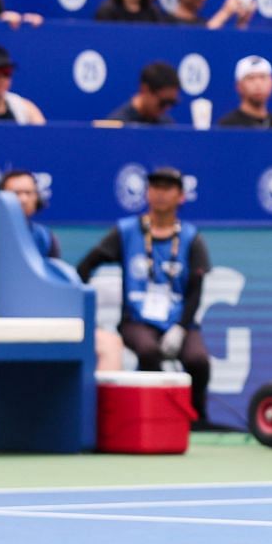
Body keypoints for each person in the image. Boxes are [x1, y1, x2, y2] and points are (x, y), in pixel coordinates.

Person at [76, 166, 214, 424]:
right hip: (136, 321)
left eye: (167, 188)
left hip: (178, 321)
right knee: (148, 351)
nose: (160, 194)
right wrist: (87, 314)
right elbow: (84, 267)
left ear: (181, 196)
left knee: (198, 360)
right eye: (155, 187)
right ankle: (157, 415)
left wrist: (181, 328)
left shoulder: (192, 238)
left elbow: (196, 290)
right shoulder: (127, 231)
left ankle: (197, 419)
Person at [0, 170, 60, 262]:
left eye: (28, 193)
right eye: (16, 193)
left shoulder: (45, 237)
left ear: (37, 198)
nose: (23, 199)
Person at [217, 56, 272, 128]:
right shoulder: (228, 126)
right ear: (239, 86)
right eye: (251, 78)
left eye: (263, 77)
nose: (258, 84)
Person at [105, 62, 182, 125]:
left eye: (172, 103)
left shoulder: (167, 125)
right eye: (163, 103)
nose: (167, 108)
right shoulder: (117, 125)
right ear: (145, 90)